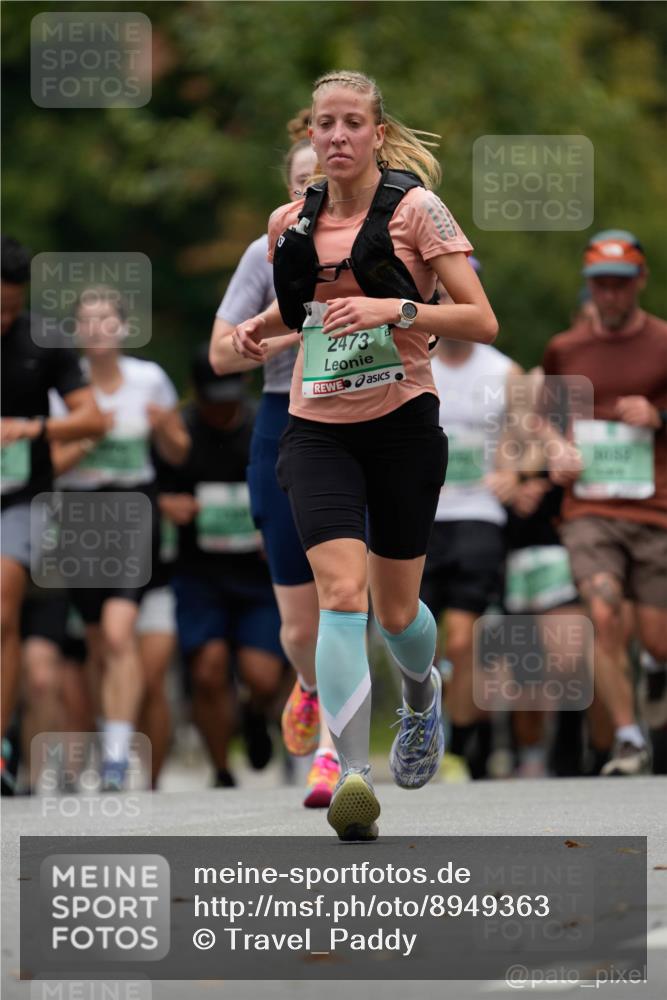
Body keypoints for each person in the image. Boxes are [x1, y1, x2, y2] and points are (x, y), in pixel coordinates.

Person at [234, 70, 497, 841]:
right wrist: (266, 330)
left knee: (395, 610)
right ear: (308, 136)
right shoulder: (291, 219)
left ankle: (421, 696)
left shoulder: (417, 210)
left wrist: (396, 306)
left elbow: (480, 319)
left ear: (377, 134)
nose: (337, 136)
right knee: (340, 595)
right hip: (314, 431)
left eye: (352, 123)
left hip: (402, 425)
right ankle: (351, 772)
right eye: (324, 124)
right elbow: (311, 312)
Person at [210, 112, 340, 808]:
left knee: (344, 598)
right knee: (297, 621)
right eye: (300, 182)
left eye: (321, 178)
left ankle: (330, 758)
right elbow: (219, 352)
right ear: (285, 195)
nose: (312, 191)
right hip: (281, 422)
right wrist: (290, 334)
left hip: (354, 424)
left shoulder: (370, 245)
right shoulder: (263, 256)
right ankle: (312, 685)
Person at [49, 285, 189, 789]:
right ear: (76, 331)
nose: (97, 329)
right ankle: (106, 740)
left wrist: (166, 429)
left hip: (134, 509)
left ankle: (114, 756)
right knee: (94, 640)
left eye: (107, 319)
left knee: (116, 631)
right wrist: (86, 436)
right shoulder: (62, 386)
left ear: (124, 328)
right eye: (87, 320)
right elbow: (48, 465)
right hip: (79, 514)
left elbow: (177, 452)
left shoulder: (148, 380)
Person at [544, 229, 667, 775]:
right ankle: (627, 737)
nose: (609, 296)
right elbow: (545, 418)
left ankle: (655, 670)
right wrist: (555, 450)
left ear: (639, 281)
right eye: (600, 285)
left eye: (619, 284)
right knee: (601, 608)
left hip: (655, 509)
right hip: (590, 510)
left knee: (659, 640)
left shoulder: (664, 342)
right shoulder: (566, 349)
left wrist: (659, 417)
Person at [1, 236, 105, 791]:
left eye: (11, 308)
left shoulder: (44, 340)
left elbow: (93, 420)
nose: (4, 318)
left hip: (23, 498)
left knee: (3, 609)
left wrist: (34, 428)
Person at [158, 348, 286, 788]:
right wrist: (166, 503)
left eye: (229, 397)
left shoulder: (264, 426)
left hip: (257, 574)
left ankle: (255, 714)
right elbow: (152, 483)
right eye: (213, 399)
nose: (221, 408)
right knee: (208, 670)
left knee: (263, 677)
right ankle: (222, 770)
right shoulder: (180, 431)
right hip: (201, 575)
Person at [420, 269, 519, 781]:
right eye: (442, 292)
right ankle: (431, 728)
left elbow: (531, 435)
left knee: (462, 640)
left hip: (478, 516)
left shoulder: (504, 372)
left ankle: (457, 743)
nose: (451, 300)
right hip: (418, 518)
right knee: (418, 642)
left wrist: (514, 469)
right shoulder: (410, 358)